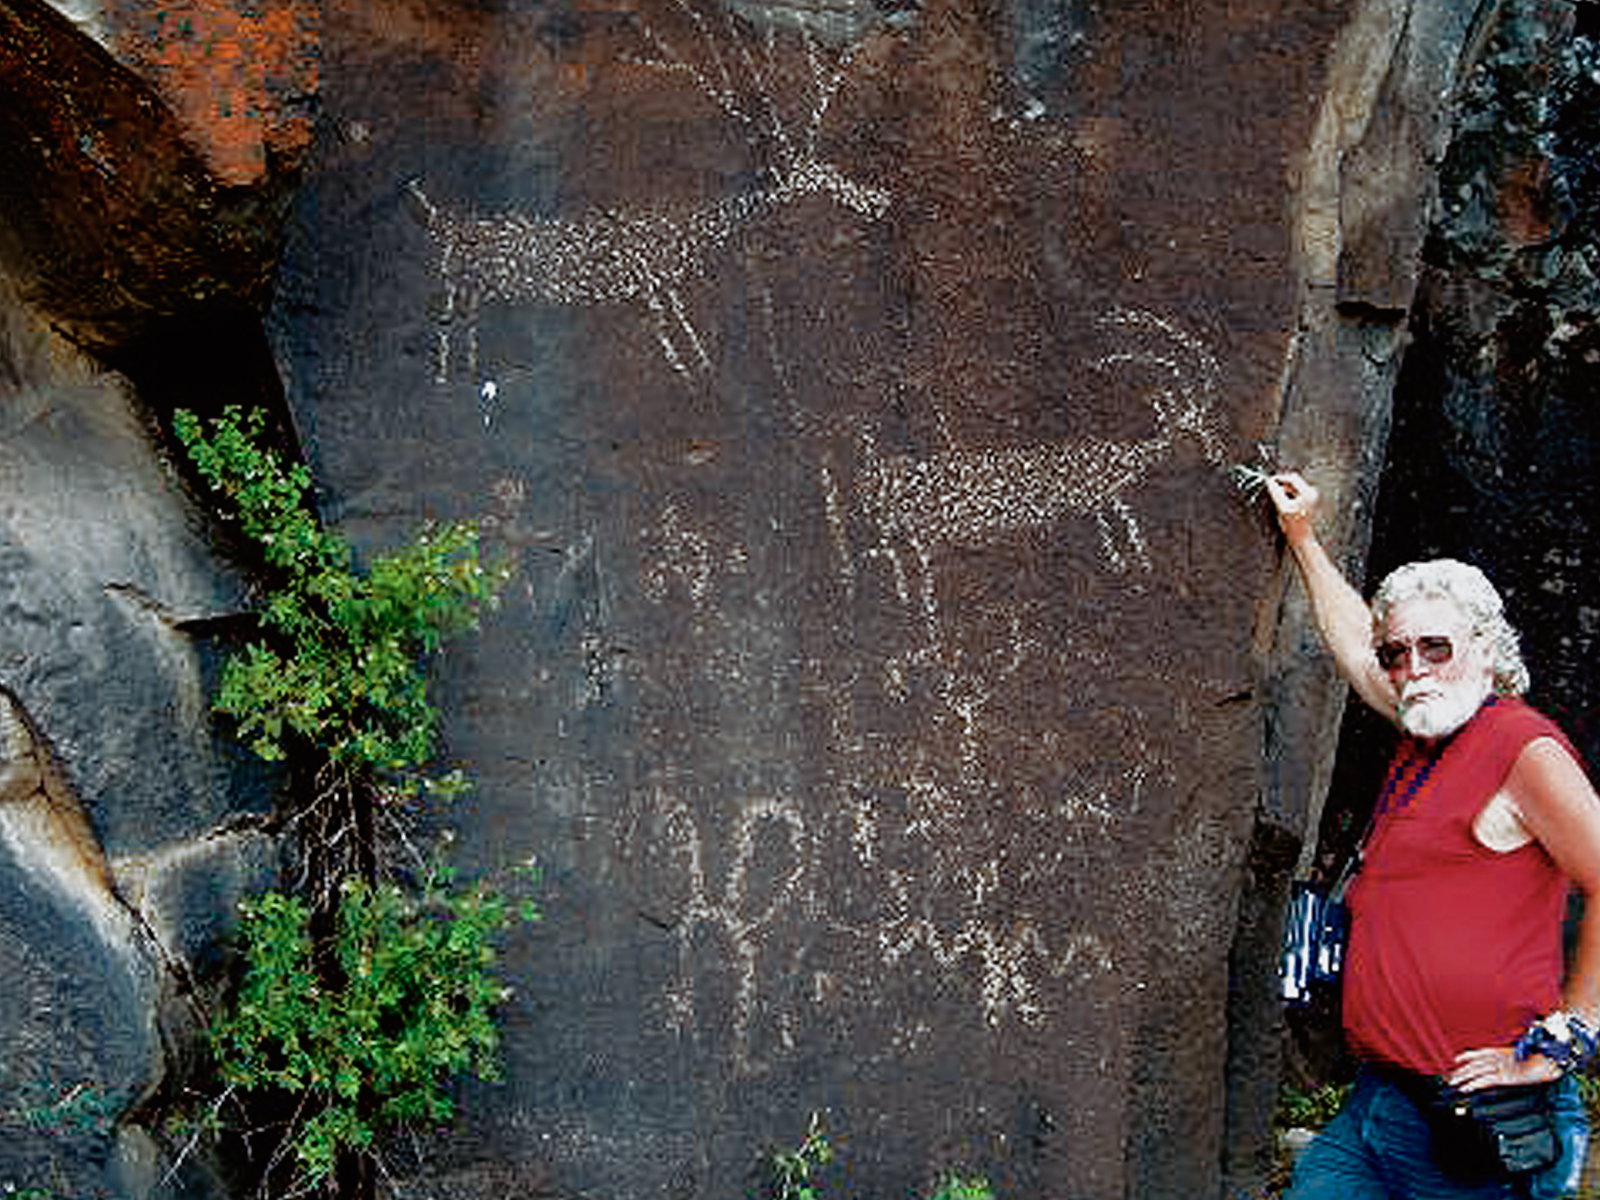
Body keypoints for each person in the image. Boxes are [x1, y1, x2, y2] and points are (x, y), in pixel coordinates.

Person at [1265, 470, 1600, 1199]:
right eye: (1400, 653)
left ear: (1486, 647)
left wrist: (1569, 1038)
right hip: (1383, 1101)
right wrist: (1303, 539)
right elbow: (1357, 645)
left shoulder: (1521, 748)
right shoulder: (1427, 731)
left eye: (1435, 648)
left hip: (1482, 1117)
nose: (1413, 669)